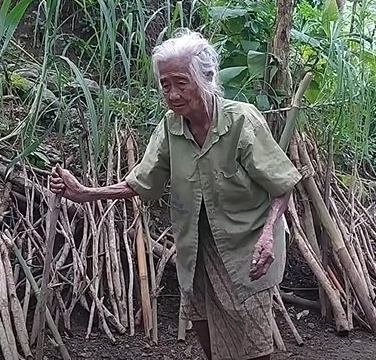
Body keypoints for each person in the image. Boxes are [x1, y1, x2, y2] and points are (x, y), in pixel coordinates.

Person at [49, 30, 302, 360]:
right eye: (165, 84)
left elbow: (282, 185)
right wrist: (85, 193)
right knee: (204, 326)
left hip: (248, 246)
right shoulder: (171, 128)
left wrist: (269, 232)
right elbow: (142, 182)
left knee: (251, 343)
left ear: (207, 77)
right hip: (196, 248)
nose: (172, 94)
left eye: (181, 82)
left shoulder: (241, 121)